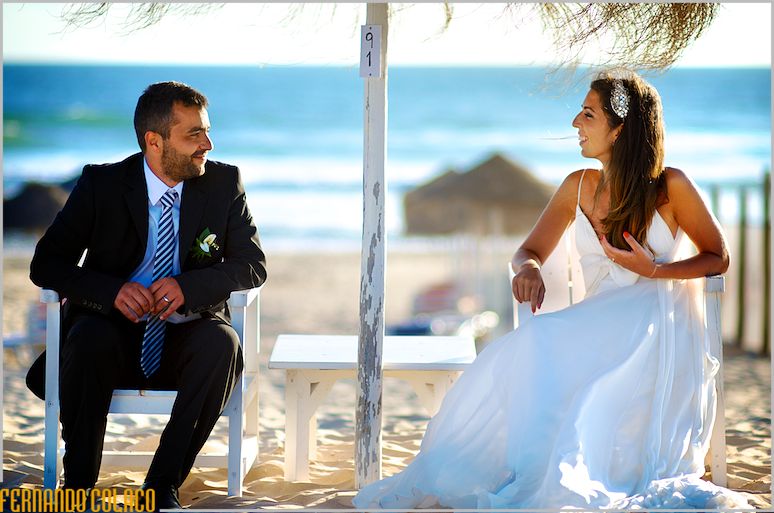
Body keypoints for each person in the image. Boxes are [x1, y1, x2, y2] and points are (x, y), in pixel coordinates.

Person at [353, 70, 751, 509]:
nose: (575, 124)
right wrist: (529, 269)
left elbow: (719, 256)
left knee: (547, 340)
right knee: (528, 345)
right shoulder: (577, 186)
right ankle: (531, 467)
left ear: (621, 129)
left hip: (657, 321)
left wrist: (653, 270)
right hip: (596, 321)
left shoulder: (672, 186)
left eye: (588, 114)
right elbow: (528, 250)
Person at [26, 81, 267, 511]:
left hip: (186, 338)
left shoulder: (223, 183)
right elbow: (47, 264)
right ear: (154, 142)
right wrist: (112, 291)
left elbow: (252, 264)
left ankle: (161, 488)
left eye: (206, 131)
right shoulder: (101, 184)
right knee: (86, 339)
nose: (207, 144)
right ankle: (77, 486)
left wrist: (187, 287)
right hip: (110, 336)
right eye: (193, 134)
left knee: (223, 344)